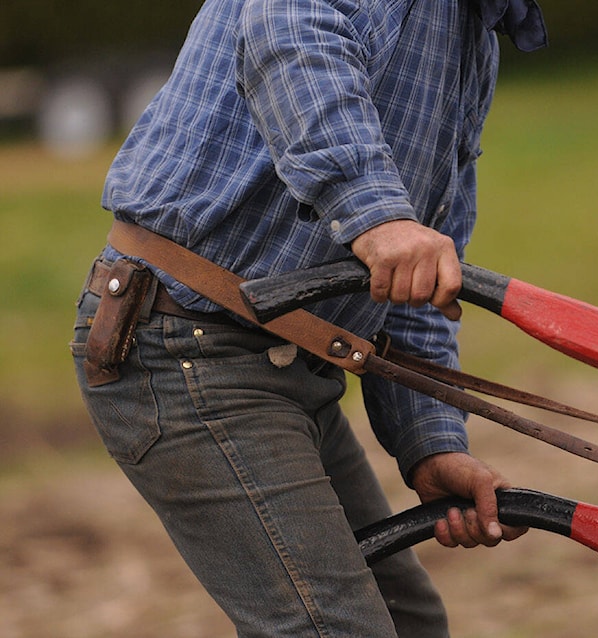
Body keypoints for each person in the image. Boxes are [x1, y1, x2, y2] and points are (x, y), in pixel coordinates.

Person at [70, 1, 546, 636]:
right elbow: (287, 27)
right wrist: (375, 213)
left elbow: (420, 272)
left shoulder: (469, 36)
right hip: (185, 345)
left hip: (283, 365)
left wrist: (430, 444)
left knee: (410, 623)